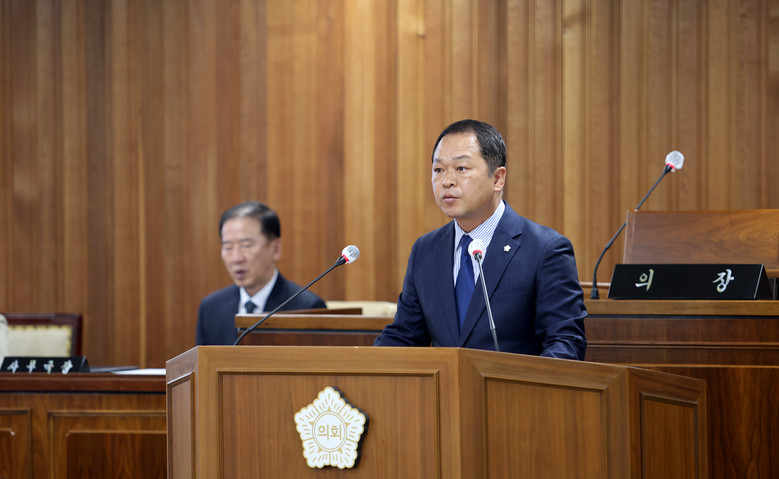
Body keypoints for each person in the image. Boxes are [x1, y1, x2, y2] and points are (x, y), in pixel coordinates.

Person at [374, 119, 586, 359]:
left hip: (512, 383)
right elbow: (405, 336)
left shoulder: (544, 249)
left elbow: (566, 342)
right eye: (438, 170)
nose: (447, 181)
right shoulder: (426, 250)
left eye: (461, 168)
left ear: (498, 179)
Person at [196, 201, 326, 345]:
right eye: (228, 247)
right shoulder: (211, 308)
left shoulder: (307, 308)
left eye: (246, 245)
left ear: (275, 249)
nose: (236, 258)